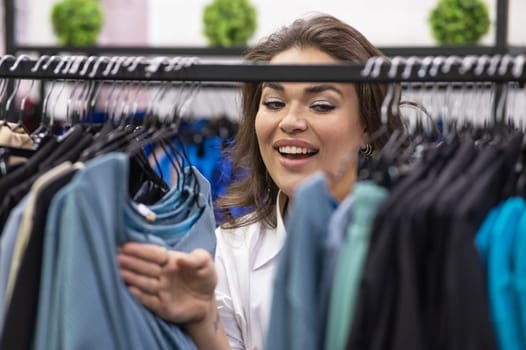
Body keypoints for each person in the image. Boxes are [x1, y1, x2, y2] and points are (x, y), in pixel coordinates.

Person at [117, 14, 404, 350]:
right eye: (274, 103)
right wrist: (203, 319)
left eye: (321, 105)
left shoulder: (412, 243)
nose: (291, 121)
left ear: (370, 125)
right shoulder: (229, 253)